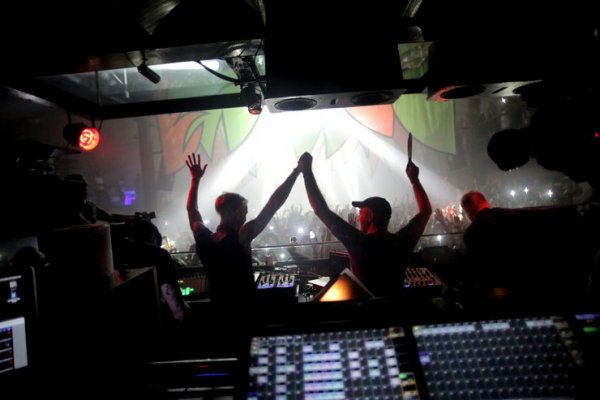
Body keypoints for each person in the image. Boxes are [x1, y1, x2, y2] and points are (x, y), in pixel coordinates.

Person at [297, 152, 432, 298]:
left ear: (370, 216)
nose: (358, 217)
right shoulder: (401, 242)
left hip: (365, 308)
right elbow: (426, 211)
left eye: (361, 213)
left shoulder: (359, 243)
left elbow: (320, 210)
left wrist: (307, 173)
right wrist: (414, 180)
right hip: (395, 307)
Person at [185, 153, 301, 305]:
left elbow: (192, 210)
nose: (246, 216)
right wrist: (297, 171)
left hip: (218, 307)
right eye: (245, 211)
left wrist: (195, 180)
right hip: (244, 310)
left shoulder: (204, 238)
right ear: (238, 212)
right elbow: (273, 204)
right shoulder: (241, 237)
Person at [460, 190, 592, 312]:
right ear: (486, 203)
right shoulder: (510, 214)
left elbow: (480, 269)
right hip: (534, 283)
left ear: (468, 211)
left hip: (500, 293)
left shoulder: (470, 234)